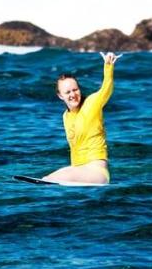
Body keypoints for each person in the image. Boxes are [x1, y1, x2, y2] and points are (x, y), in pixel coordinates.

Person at [40, 52, 121, 184]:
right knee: (55, 176)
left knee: (56, 176)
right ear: (60, 96)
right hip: (78, 173)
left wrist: (108, 66)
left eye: (75, 89)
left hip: (97, 172)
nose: (73, 94)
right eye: (68, 92)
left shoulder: (92, 103)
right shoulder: (66, 116)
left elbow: (107, 88)